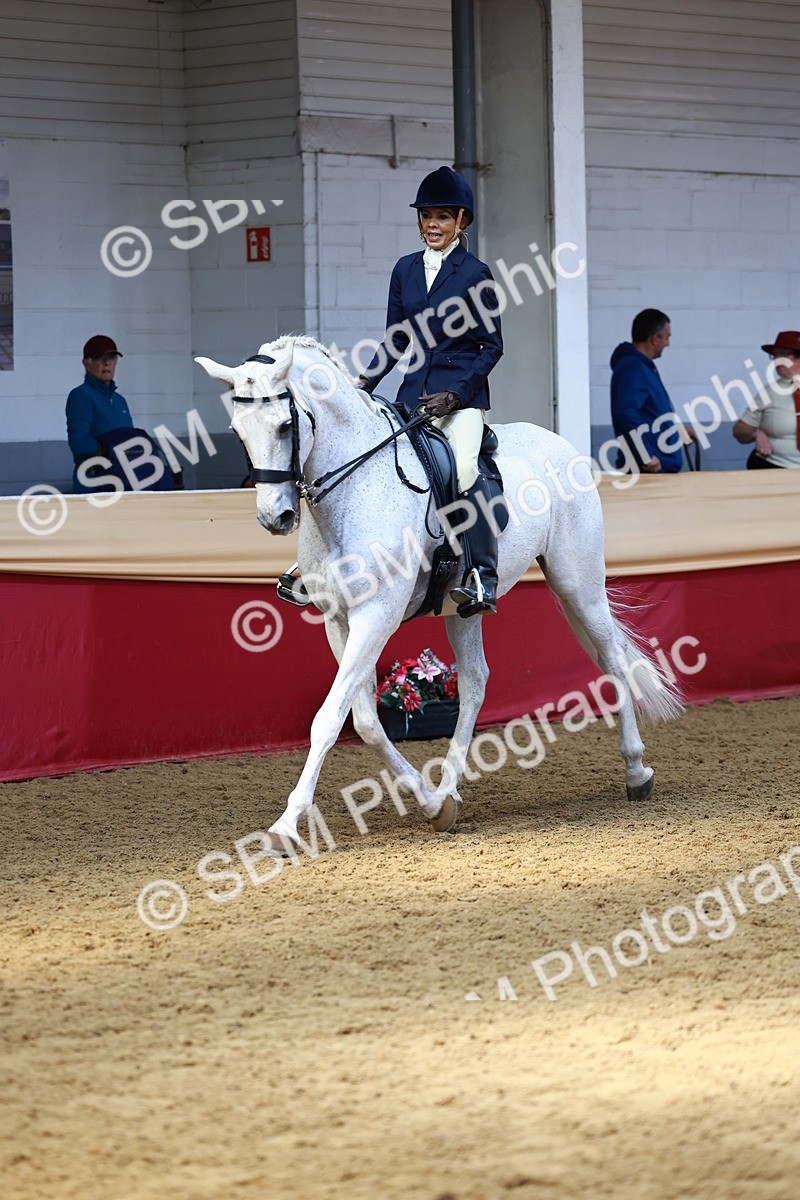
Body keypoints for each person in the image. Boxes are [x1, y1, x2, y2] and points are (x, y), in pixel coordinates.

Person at [357, 165, 504, 616]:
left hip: (459, 399)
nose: (432, 225)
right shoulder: (404, 270)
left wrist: (456, 396)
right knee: (370, 464)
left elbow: (491, 347)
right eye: (425, 216)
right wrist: (364, 384)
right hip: (412, 394)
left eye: (441, 217)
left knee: (461, 469)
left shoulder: (476, 274)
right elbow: (396, 339)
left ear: (461, 221)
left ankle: (482, 575)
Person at [66, 335, 179, 492]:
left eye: (111, 358)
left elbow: (128, 444)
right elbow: (79, 445)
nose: (107, 363)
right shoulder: (81, 395)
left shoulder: (120, 401)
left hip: (123, 482)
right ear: (86, 363)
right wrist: (110, 445)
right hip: (95, 483)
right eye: (100, 358)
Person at [610, 308, 695, 473]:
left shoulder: (642, 367)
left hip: (654, 467)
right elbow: (627, 413)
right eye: (667, 337)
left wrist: (677, 431)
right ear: (655, 338)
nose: (668, 343)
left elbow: (650, 412)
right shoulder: (634, 368)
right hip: (649, 470)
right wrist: (646, 455)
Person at [732, 331, 800, 469]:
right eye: (775, 355)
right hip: (775, 466)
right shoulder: (769, 392)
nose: (777, 360)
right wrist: (755, 433)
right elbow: (739, 430)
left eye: (783, 354)